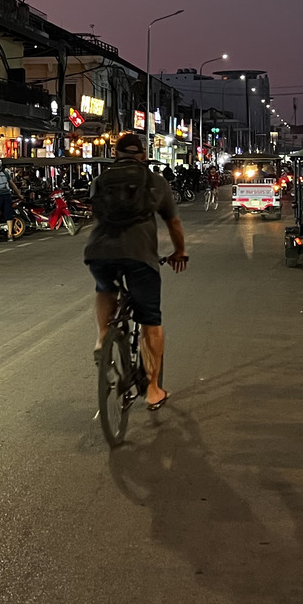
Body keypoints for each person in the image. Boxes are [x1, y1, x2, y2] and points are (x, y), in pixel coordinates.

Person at [85, 131, 188, 411]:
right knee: (150, 320)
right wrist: (179, 252)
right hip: (140, 256)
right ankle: (153, 390)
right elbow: (174, 224)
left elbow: (97, 214)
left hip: (99, 252)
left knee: (104, 287)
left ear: (115, 153)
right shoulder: (156, 183)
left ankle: (102, 336)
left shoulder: (100, 180)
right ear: (142, 154)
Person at [0, 159, 21, 241]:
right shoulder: (5, 173)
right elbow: (12, 184)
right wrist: (19, 194)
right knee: (8, 215)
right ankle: (10, 235)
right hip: (7, 196)